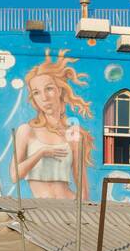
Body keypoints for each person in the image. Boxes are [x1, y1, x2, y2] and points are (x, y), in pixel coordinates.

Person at [10, 49, 94, 199]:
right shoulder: (27, 131)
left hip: (69, 208)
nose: (44, 97)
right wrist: (41, 153)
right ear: (33, 99)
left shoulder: (72, 133)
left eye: (49, 89)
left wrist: (85, 214)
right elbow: (15, 175)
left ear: (60, 91)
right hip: (39, 210)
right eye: (36, 92)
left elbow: (81, 180)